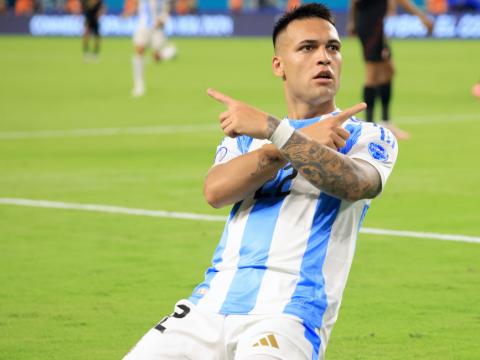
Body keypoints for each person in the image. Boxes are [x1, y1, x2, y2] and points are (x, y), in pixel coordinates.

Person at [123, 3, 398, 359]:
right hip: (208, 306)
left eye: (333, 47)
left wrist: (275, 130)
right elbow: (215, 191)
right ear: (278, 66)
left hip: (289, 314)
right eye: (307, 48)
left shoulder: (366, 136)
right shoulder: (246, 138)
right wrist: (282, 143)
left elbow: (355, 184)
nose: (324, 58)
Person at [348, 0, 433, 140]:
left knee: (388, 71)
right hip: (371, 25)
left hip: (376, 25)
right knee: (372, 74)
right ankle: (368, 128)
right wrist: (422, 17)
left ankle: (386, 122)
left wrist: (352, 21)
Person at [129, 0, 177, 97]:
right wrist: (130, 11)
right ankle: (139, 85)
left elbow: (169, 7)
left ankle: (169, 52)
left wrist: (163, 19)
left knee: (156, 58)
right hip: (143, 26)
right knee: (139, 51)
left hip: (157, 27)